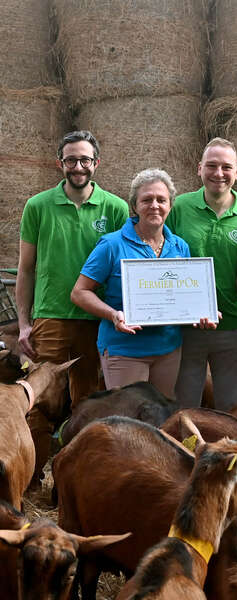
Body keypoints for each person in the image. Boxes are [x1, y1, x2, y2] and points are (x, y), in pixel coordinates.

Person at [16, 129, 129, 483]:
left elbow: (126, 265)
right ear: (59, 164)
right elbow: (26, 268)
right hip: (50, 317)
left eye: (84, 160)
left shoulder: (116, 208)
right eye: (70, 160)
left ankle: (82, 480)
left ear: (96, 163)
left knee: (91, 402)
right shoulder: (38, 206)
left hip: (98, 320)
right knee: (41, 404)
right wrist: (23, 323)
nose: (77, 166)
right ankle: (31, 481)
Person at [71, 169, 191, 399]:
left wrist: (201, 311)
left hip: (169, 349)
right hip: (125, 350)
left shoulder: (179, 247)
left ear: (170, 205)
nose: (154, 205)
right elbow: (80, 292)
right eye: (146, 200)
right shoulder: (111, 244)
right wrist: (113, 315)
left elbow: (183, 295)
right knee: (128, 424)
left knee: (161, 420)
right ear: (134, 206)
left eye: (161, 200)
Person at [166, 137, 237, 410]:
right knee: (184, 409)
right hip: (185, 327)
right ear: (199, 169)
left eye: (226, 167)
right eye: (211, 166)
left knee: (232, 411)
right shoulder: (178, 208)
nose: (218, 173)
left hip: (233, 325)